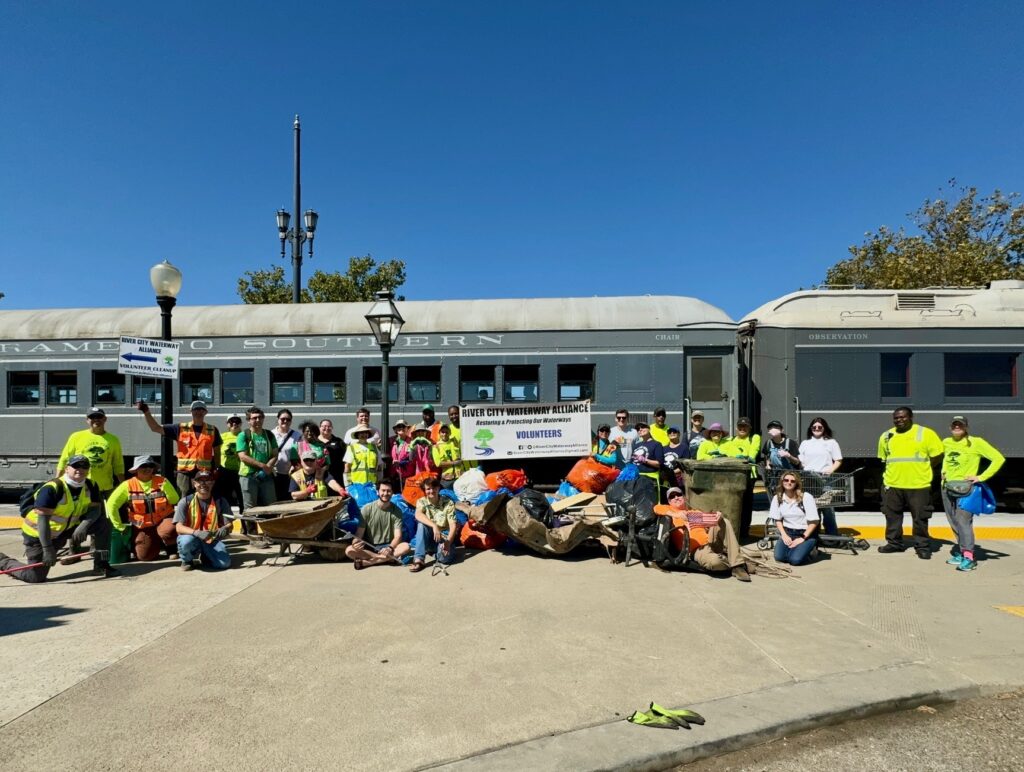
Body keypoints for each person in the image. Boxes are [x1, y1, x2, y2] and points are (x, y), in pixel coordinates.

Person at [0, 455, 118, 582]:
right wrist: (47, 549)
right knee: (34, 577)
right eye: (76, 466)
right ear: (67, 469)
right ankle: (3, 561)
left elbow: (95, 509)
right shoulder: (52, 488)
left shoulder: (91, 485)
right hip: (39, 536)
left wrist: (84, 525)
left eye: (84, 466)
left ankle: (101, 564)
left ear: (88, 470)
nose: (80, 469)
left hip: (64, 530)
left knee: (103, 523)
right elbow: (42, 521)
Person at [877, 407, 944, 559]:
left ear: (911, 417)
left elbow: (938, 455)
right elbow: (884, 459)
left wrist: (923, 468)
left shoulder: (926, 433)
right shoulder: (886, 436)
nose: (899, 420)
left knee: (920, 518)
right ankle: (894, 544)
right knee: (892, 516)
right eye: (896, 418)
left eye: (903, 417)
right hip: (893, 484)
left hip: (919, 484)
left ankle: (922, 546)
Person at [941, 415, 1005, 572]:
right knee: (953, 521)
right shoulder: (946, 442)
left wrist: (981, 477)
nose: (957, 427)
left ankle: (969, 557)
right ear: (951, 427)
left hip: (966, 488)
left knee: (963, 522)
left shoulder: (977, 442)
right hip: (947, 487)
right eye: (955, 425)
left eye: (960, 425)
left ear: (966, 427)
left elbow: (998, 458)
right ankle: (962, 552)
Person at [654, 487, 750, 582]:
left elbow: (712, 522)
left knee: (724, 521)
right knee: (715, 563)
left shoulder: (694, 513)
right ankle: (734, 562)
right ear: (669, 501)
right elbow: (656, 508)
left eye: (678, 495)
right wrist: (675, 514)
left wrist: (718, 516)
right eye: (672, 496)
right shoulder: (668, 510)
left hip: (710, 542)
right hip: (696, 550)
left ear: (683, 497)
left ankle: (737, 565)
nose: (676, 497)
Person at [139, 399, 222, 494]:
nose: (198, 411)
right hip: (184, 472)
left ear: (205, 412)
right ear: (190, 411)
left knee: (204, 496)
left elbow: (217, 451)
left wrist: (216, 468)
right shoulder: (180, 428)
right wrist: (146, 412)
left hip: (204, 471)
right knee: (185, 498)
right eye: (196, 409)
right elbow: (155, 428)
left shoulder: (212, 430)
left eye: (201, 409)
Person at [106, 455, 181, 561]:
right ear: (136, 469)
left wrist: (166, 489)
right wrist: (119, 526)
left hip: (162, 520)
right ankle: (156, 543)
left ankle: (172, 549)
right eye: (143, 466)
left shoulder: (162, 481)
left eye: (150, 466)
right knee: (145, 556)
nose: (147, 469)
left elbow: (174, 500)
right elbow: (111, 505)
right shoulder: (127, 485)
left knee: (169, 530)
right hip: (143, 526)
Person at [57, 406, 125, 498]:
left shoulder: (113, 440)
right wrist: (57, 482)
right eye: (92, 417)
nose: (96, 419)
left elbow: (118, 465)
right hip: (79, 486)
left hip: (104, 488)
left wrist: (124, 486)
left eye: (99, 417)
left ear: (105, 419)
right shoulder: (76, 437)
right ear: (87, 420)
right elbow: (64, 459)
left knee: (103, 512)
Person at [344, 480, 411, 569]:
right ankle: (386, 559)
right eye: (383, 490)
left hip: (388, 546)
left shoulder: (397, 511)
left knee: (406, 547)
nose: (385, 493)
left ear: (392, 493)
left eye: (388, 491)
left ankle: (367, 563)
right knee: (349, 550)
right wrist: (355, 542)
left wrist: (390, 548)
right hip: (370, 546)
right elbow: (359, 533)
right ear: (377, 492)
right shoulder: (366, 509)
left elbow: (398, 536)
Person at [174, 470, 233, 571]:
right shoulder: (185, 501)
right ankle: (187, 560)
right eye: (200, 481)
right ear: (194, 483)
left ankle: (206, 556)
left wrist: (225, 528)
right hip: (192, 537)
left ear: (213, 483)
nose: (204, 484)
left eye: (208, 481)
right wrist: (196, 533)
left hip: (211, 539)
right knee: (186, 541)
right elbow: (178, 527)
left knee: (224, 564)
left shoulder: (221, 501)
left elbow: (229, 524)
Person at [236, 406, 278, 534]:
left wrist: (268, 467)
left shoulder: (269, 435)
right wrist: (262, 466)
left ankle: (270, 533)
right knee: (250, 507)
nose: (258, 420)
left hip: (266, 476)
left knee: (271, 505)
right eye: (254, 418)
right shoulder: (243, 435)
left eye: (260, 417)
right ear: (249, 420)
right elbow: (242, 456)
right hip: (248, 476)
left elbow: (275, 454)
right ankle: (253, 535)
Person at [798, 417, 843, 536]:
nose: (817, 429)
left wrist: (830, 470)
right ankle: (813, 533)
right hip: (808, 480)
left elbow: (838, 460)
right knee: (811, 507)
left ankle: (832, 534)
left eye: (820, 427)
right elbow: (800, 460)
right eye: (814, 427)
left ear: (824, 428)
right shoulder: (805, 443)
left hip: (825, 479)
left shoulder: (831, 442)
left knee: (827, 508)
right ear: (810, 429)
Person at [409, 476, 459, 572]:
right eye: (428, 489)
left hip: (444, 537)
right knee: (421, 525)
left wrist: (448, 542)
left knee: (444, 559)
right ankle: (418, 559)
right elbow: (418, 514)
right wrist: (434, 526)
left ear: (438, 488)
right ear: (424, 490)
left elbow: (453, 525)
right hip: (430, 536)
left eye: (434, 488)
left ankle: (436, 553)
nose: (431, 491)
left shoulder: (448, 503)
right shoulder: (421, 501)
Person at [722, 417, 761, 539]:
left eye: (745, 426)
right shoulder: (730, 440)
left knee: (746, 504)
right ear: (736, 428)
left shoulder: (754, 438)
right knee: (732, 503)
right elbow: (725, 452)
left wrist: (743, 457)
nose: (742, 429)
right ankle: (732, 531)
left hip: (748, 475)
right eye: (740, 427)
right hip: (732, 476)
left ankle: (744, 532)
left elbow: (752, 453)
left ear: (750, 428)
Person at [771, 472, 819, 566]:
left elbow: (814, 521)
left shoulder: (806, 497)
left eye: (792, 481)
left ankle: (811, 549)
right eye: (786, 480)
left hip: (805, 533)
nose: (789, 482)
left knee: (794, 560)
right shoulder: (777, 498)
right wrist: (784, 535)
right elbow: (778, 519)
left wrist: (802, 538)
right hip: (788, 532)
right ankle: (797, 550)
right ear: (782, 482)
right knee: (779, 557)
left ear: (796, 483)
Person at [215, 414, 244, 515]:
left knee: (242, 500)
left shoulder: (245, 435)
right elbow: (215, 452)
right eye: (231, 421)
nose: (234, 423)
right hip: (225, 472)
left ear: (241, 423)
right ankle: (223, 522)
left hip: (240, 472)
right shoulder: (222, 436)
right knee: (223, 499)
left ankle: (245, 526)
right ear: (227, 424)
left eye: (237, 421)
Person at [271, 409, 301, 501]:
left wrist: (295, 466)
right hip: (273, 474)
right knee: (274, 500)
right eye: (283, 419)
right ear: (278, 419)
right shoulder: (271, 434)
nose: (285, 421)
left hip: (289, 475)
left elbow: (300, 454)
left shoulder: (296, 435)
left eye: (288, 419)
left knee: (287, 500)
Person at [631, 422, 665, 492]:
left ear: (649, 429)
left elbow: (659, 464)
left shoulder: (657, 444)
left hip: (649, 477)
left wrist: (645, 460)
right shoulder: (636, 445)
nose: (640, 429)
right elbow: (632, 461)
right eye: (638, 429)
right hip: (635, 476)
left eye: (643, 427)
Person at [432, 423, 467, 489]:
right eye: (442, 432)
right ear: (439, 433)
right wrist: (453, 463)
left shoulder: (454, 442)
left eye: (446, 432)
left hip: (460, 477)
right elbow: (438, 463)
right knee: (445, 497)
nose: (444, 434)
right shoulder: (436, 447)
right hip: (447, 479)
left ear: (450, 433)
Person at [318, 419, 347, 487]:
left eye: (329, 426)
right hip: (319, 476)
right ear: (320, 428)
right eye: (324, 426)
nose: (327, 428)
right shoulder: (315, 442)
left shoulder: (339, 442)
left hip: (337, 477)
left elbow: (346, 458)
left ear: (332, 428)